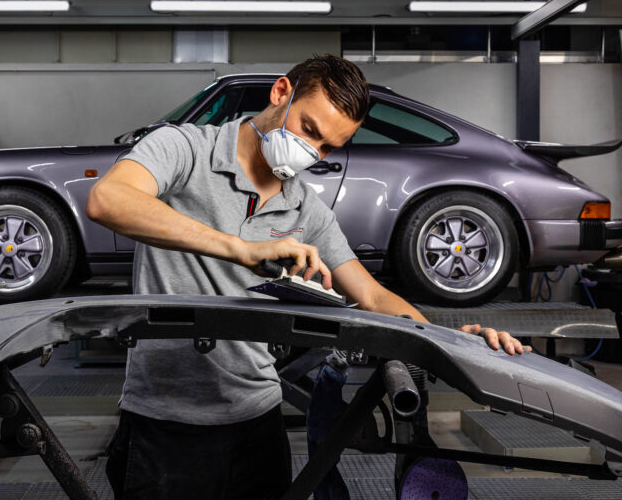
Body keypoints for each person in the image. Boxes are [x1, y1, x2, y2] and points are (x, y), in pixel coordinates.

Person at [85, 54, 529, 500]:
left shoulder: (305, 210)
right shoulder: (184, 149)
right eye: (309, 129)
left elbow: (372, 296)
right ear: (281, 93)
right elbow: (109, 200)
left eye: (328, 148)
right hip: (163, 423)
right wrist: (241, 249)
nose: (311, 152)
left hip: (257, 422)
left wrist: (454, 346)